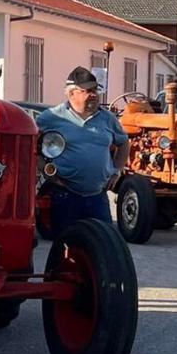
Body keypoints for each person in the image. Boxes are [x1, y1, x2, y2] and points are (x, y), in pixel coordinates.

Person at [36, 68, 131, 237]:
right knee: (66, 246)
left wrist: (116, 171)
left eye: (95, 90)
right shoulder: (51, 117)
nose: (94, 94)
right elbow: (30, 143)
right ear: (71, 93)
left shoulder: (107, 118)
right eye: (88, 91)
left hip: (97, 196)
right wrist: (44, 168)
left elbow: (123, 143)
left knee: (106, 241)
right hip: (65, 195)